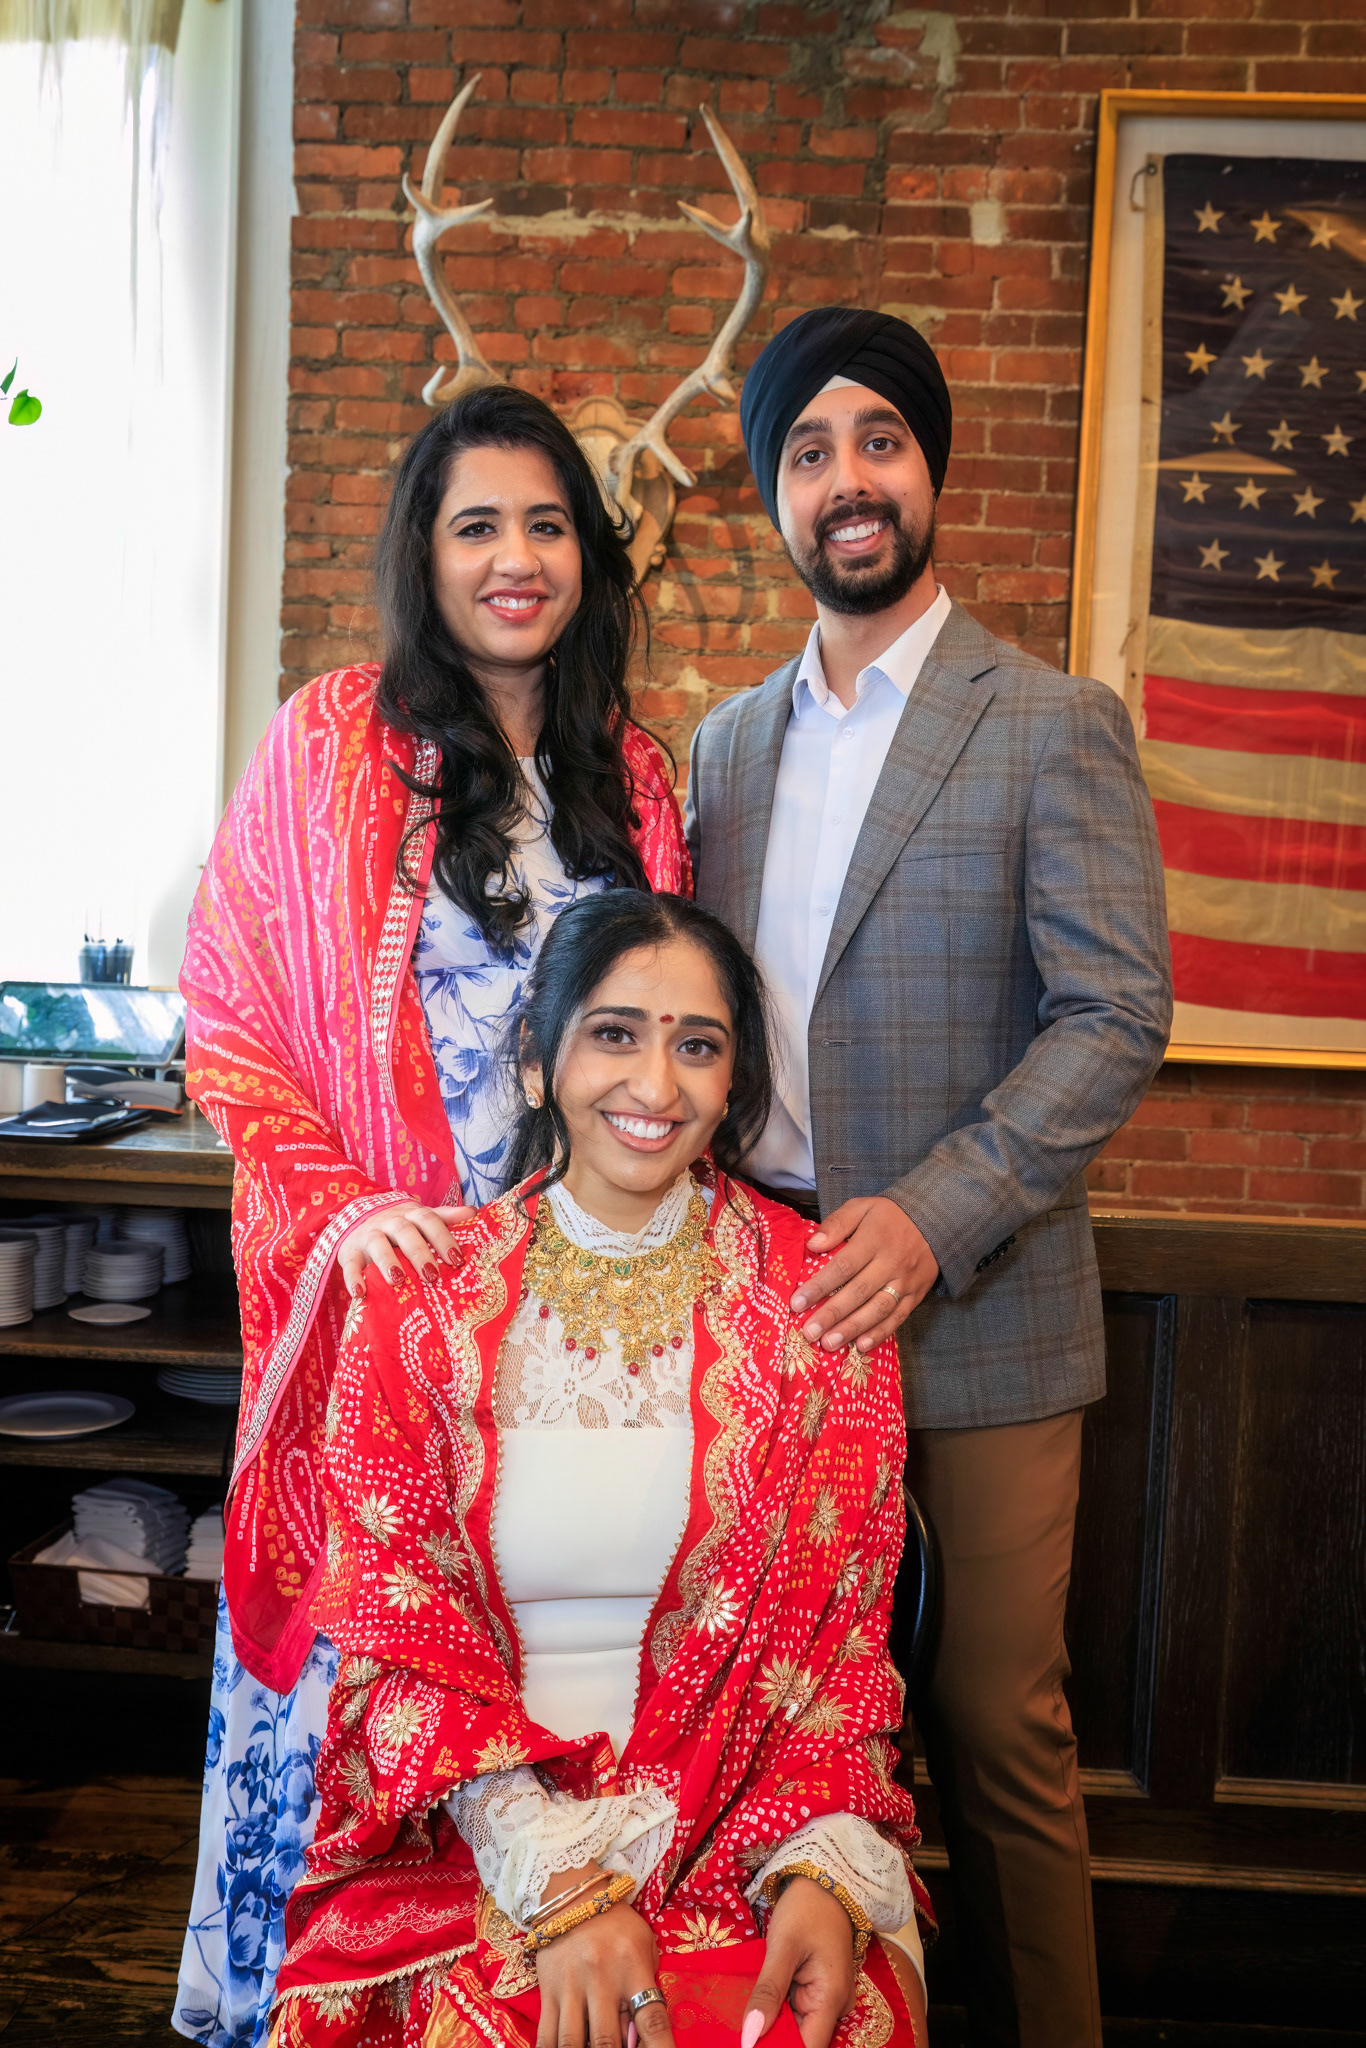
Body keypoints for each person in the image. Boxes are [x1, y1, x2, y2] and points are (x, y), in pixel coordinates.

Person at [174, 385, 691, 2047]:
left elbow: (672, 1039)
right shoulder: (330, 738)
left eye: (545, 523)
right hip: (386, 1311)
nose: (513, 557)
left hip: (571, 1325)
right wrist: (341, 1214)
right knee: (368, 1665)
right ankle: (306, 2000)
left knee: (543, 1663)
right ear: (426, 553)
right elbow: (229, 1010)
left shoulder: (636, 774)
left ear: (588, 556)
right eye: (477, 526)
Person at [685, 307, 1173, 2048]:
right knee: (781, 1716)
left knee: (990, 1724)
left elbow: (1115, 1013)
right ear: (774, 496)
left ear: (929, 469)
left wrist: (934, 1212)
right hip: (766, 1312)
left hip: (981, 1309)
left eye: (877, 440)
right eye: (807, 451)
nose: (847, 479)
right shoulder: (723, 748)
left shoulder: (1047, 722)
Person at [265, 889, 931, 2048]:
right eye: (614, 1033)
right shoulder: (418, 1307)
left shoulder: (817, 1307)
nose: (656, 1085)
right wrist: (563, 1881)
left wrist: (819, 1867)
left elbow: (838, 1658)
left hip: (747, 1832)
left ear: (733, 1080)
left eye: (698, 1045)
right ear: (536, 1062)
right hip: (475, 1833)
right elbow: (392, 1650)